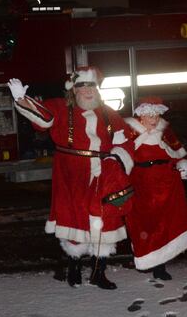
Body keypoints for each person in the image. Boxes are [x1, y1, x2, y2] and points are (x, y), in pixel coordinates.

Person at [8, 66, 134, 290]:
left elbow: (125, 140)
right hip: (71, 174)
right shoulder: (60, 107)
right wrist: (22, 99)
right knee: (74, 219)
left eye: (91, 86)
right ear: (73, 90)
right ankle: (73, 269)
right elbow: (43, 120)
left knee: (105, 220)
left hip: (104, 175)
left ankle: (98, 272)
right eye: (81, 86)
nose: (87, 91)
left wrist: (117, 158)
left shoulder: (108, 113)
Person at [123, 97, 187, 280]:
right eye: (149, 115)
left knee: (165, 224)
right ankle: (148, 258)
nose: (153, 119)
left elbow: (176, 154)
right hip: (142, 187)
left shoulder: (165, 132)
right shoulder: (130, 133)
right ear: (141, 116)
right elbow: (122, 157)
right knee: (145, 225)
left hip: (166, 185)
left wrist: (183, 163)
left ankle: (160, 266)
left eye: (156, 115)